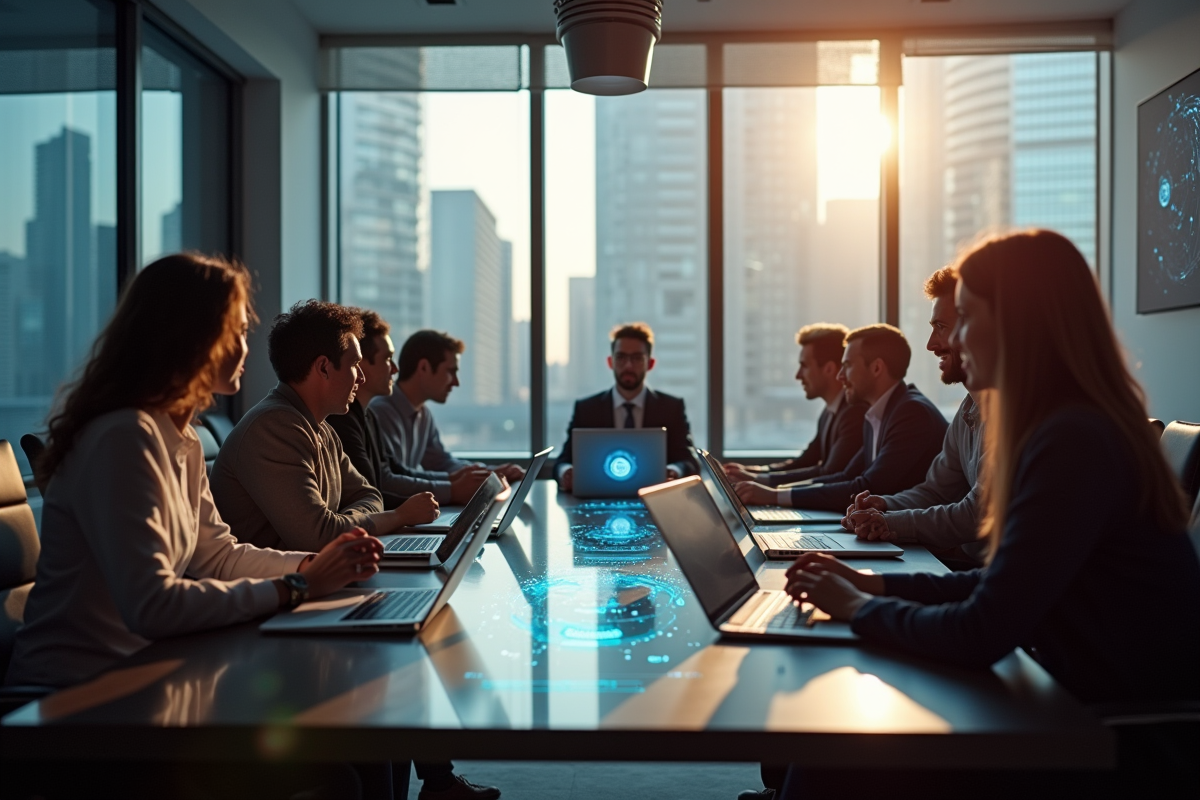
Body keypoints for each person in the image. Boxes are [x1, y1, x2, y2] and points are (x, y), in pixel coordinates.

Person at [780, 230, 1200, 798]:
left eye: (967, 317)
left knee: (833, 753)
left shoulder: (1071, 440)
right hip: (1063, 695)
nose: (952, 339)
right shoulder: (1066, 425)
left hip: (1108, 737)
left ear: (1019, 323)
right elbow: (1002, 586)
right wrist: (872, 583)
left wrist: (856, 607)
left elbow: (983, 628)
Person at [6, 254, 385, 799]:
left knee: (359, 737)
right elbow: (153, 604)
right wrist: (295, 587)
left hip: (152, 674)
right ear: (190, 336)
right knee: (339, 774)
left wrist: (314, 566)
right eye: (233, 332)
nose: (244, 348)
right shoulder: (124, 436)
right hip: (81, 705)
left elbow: (218, 556)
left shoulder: (178, 436)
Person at [210, 301, 439, 552]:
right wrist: (399, 517)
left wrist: (344, 524)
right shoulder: (274, 428)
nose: (360, 378)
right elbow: (318, 536)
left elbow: (370, 496)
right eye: (354, 365)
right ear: (323, 368)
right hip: (277, 584)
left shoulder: (322, 428)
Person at [841, 266, 987, 567]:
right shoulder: (968, 409)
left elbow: (977, 515)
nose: (931, 344)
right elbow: (936, 489)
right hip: (971, 567)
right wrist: (884, 505)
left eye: (942, 327)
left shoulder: (1017, 416)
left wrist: (889, 522)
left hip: (984, 573)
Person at [734, 325, 946, 511]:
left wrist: (774, 495)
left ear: (877, 368)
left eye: (848, 366)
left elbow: (868, 487)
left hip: (926, 548)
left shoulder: (912, 413)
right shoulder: (880, 412)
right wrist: (772, 491)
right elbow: (846, 476)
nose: (840, 375)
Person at [328, 309, 474, 509]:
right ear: (359, 363)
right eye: (387, 359)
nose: (395, 369)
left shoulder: (368, 415)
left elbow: (395, 470)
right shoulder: (345, 418)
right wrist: (452, 488)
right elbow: (379, 486)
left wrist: (454, 482)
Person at [371, 329, 523, 504]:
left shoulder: (423, 414)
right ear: (424, 368)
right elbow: (393, 480)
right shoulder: (381, 413)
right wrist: (454, 487)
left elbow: (441, 462)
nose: (455, 382)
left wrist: (488, 473)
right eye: (450, 371)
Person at [555, 322, 697, 492]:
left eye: (637, 358)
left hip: (655, 503)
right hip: (598, 500)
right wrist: (566, 473)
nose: (628, 366)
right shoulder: (587, 409)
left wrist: (675, 471)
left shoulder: (671, 408)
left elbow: (689, 462)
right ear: (610, 362)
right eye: (621, 357)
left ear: (650, 363)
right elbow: (562, 462)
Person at [724, 323, 866, 486]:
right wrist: (754, 472)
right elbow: (805, 461)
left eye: (804, 366)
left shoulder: (854, 413)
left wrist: (758, 480)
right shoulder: (830, 412)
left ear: (829, 369)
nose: (798, 376)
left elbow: (829, 473)